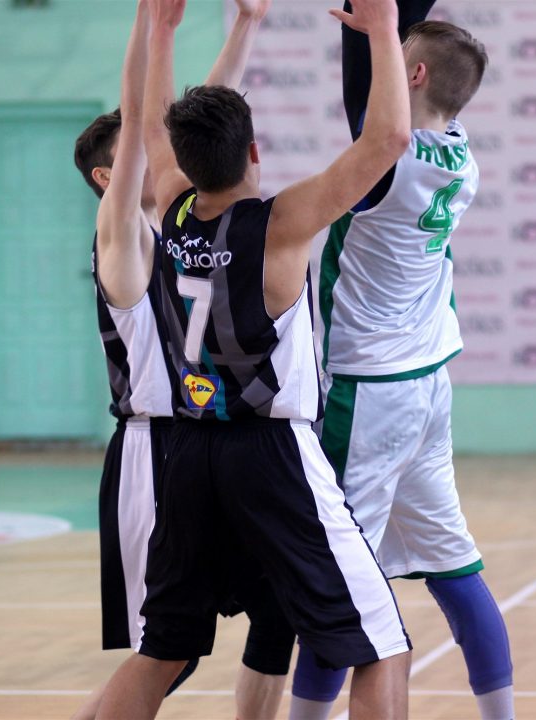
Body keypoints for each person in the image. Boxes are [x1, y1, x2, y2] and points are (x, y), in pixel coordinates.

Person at [94, 0, 414, 717]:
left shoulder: (171, 206)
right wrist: (383, 29)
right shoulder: (280, 225)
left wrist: (161, 31)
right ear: (255, 153)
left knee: (163, 648)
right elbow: (390, 138)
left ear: (182, 159)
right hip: (272, 453)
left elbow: (152, 127)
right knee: (381, 644)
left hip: (189, 455)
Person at [289, 6, 515, 720]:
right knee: (455, 569)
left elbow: (369, 108)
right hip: (428, 384)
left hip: (368, 393)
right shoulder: (462, 155)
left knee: (334, 582)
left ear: (412, 74)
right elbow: (389, 95)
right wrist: (384, 32)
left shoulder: (387, 161)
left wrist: (377, 29)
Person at [70, 1, 294, 718]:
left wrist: (246, 25)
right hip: (152, 451)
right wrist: (152, 24)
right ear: (106, 177)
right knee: (167, 650)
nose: (157, 146)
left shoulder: (182, 225)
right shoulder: (123, 237)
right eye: (139, 145)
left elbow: (195, 123)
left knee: (278, 609)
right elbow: (146, 117)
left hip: (209, 445)